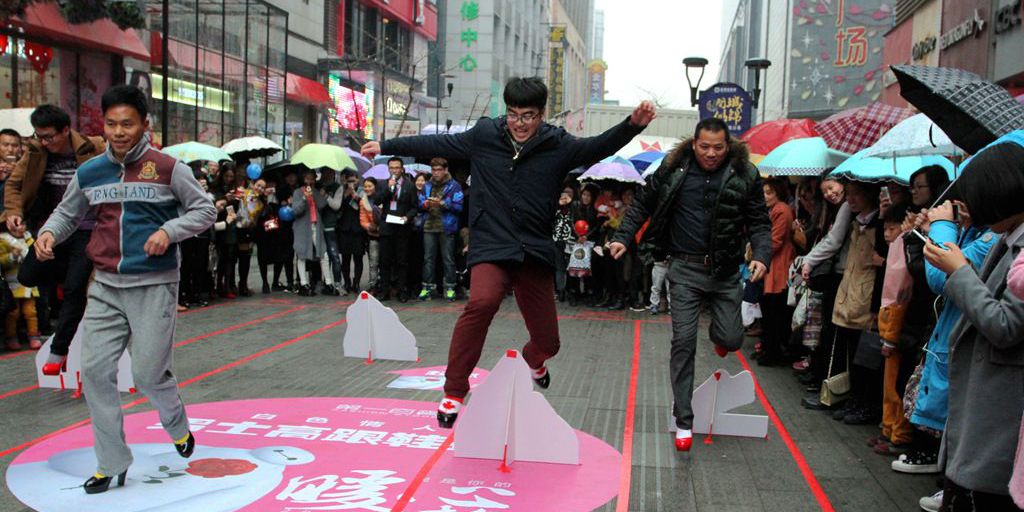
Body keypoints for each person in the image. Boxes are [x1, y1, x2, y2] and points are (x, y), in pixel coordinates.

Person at [362, 76, 655, 428]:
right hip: (492, 243)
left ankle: (535, 360)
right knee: (481, 302)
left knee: (549, 341)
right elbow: (437, 141)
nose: (520, 123)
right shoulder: (485, 136)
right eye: (514, 114)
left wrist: (632, 125)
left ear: (542, 114)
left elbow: (597, 147)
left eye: (528, 115)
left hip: (533, 250)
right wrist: (385, 144)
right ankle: (454, 391)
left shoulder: (557, 144)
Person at [33, 85, 216, 494]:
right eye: (111, 123)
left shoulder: (168, 168)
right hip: (106, 288)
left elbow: (205, 210)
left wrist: (169, 232)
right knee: (96, 373)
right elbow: (67, 212)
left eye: (127, 124)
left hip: (154, 287)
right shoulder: (91, 171)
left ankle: (176, 424)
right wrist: (48, 234)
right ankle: (111, 462)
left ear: (144, 124)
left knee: (149, 374)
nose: (118, 131)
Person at [608, 117, 770, 452]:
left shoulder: (745, 173)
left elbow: (759, 220)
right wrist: (623, 236)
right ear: (694, 143)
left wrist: (762, 256)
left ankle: (722, 337)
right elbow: (642, 205)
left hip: (726, 272)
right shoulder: (673, 168)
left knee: (730, 338)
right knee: (683, 341)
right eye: (705, 146)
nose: (711, 153)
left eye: (718, 147)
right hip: (683, 269)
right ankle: (684, 418)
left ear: (729, 147)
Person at [922, 134, 1024, 511]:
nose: (966, 207)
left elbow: (1006, 325)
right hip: (984, 403)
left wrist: (959, 270)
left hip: (1000, 408)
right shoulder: (1006, 234)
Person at [4, 105, 105, 366]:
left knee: (74, 290)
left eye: (49, 136)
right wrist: (13, 212)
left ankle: (59, 351)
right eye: (39, 136)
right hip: (52, 229)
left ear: (65, 130)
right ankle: (73, 277)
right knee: (28, 275)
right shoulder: (36, 152)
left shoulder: (93, 147)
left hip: (86, 229)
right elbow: (14, 184)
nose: (44, 142)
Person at [757, 177, 797, 366]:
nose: (765, 196)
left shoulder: (782, 210)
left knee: (774, 311)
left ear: (778, 193)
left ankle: (773, 351)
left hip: (778, 263)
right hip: (771, 261)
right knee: (769, 310)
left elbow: (776, 240)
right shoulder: (773, 210)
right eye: (763, 192)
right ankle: (768, 348)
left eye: (769, 192)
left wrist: (757, 251)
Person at [418, 157, 464, 301]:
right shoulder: (427, 185)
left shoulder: (454, 186)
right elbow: (419, 203)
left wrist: (442, 203)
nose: (436, 173)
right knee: (428, 259)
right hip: (429, 226)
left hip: (447, 227)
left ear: (445, 170)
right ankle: (427, 288)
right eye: (433, 170)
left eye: (439, 170)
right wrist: (425, 204)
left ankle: (450, 288)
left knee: (448, 259)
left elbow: (459, 207)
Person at [292, 169, 338, 296]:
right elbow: (295, 211)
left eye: (312, 178)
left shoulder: (316, 191)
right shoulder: (297, 192)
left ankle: (328, 283)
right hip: (302, 228)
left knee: (323, 253)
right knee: (301, 254)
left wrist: (320, 194)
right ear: (303, 179)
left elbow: (322, 205)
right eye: (307, 178)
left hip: (316, 226)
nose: (310, 181)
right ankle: (303, 283)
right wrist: (304, 199)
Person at [376, 158, 417, 302]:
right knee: (385, 261)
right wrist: (388, 188)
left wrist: (408, 217)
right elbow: (377, 200)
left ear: (402, 169)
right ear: (388, 169)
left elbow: (414, 207)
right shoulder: (382, 184)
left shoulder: (410, 185)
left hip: (402, 227)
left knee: (402, 261)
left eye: (397, 168)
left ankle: (402, 290)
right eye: (392, 168)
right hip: (387, 227)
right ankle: (385, 290)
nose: (394, 170)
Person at [0, 223, 40, 350]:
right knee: (13, 313)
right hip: (12, 283)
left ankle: (34, 336)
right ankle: (11, 337)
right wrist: (13, 256)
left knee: (31, 312)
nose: (20, 228)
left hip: (29, 284)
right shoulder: (4, 240)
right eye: (16, 225)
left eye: (22, 224)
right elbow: (2, 261)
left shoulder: (29, 239)